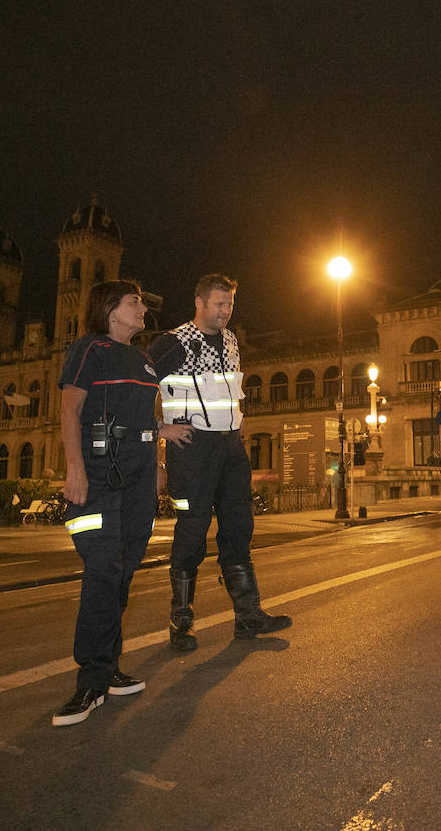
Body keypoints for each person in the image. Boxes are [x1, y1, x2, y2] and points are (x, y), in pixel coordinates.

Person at [53, 279, 191, 727]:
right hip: (95, 477)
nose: (143, 310)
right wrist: (74, 471)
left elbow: (137, 419)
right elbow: (70, 412)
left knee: (125, 568)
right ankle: (90, 681)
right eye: (135, 302)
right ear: (111, 309)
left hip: (136, 482)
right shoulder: (89, 350)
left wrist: (155, 464)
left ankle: (109, 668)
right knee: (102, 569)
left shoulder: (143, 362)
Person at [149, 273, 290, 653]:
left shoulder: (229, 340)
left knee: (239, 528)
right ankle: (181, 624)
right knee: (192, 531)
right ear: (199, 302)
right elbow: (138, 384)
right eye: (219, 304)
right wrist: (161, 428)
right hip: (193, 449)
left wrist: (237, 434)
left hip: (230, 448)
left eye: (230, 304)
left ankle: (248, 616)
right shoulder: (175, 342)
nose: (226, 311)